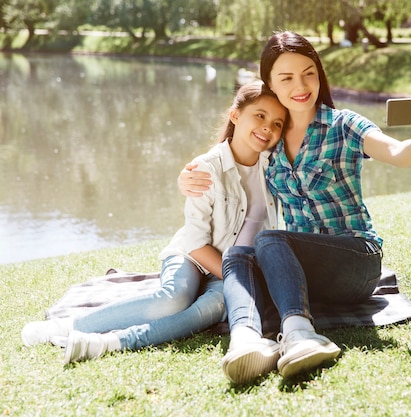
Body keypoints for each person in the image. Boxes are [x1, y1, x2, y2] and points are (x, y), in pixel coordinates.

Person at [178, 30, 411, 384]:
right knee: (237, 256)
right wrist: (188, 176)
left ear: (319, 75)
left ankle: (300, 335)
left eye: (308, 73)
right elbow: (229, 161)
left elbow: (398, 153)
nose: (300, 85)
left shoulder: (344, 125)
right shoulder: (269, 142)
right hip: (306, 271)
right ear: (270, 84)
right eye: (286, 78)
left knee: (271, 240)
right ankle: (245, 340)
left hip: (356, 261)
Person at [21, 80, 287, 365]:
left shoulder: (277, 168)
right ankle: (67, 327)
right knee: (173, 299)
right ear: (235, 115)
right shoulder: (206, 169)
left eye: (277, 123)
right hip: (193, 257)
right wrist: (234, 277)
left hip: (235, 272)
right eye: (260, 115)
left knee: (214, 307)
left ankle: (107, 343)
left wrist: (242, 277)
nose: (267, 128)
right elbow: (195, 243)